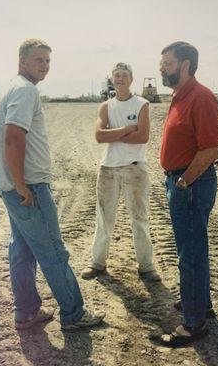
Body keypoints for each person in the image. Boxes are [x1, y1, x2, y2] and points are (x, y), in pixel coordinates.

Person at [0, 39, 105, 331]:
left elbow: (0, 138)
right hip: (28, 189)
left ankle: (27, 312)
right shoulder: (25, 90)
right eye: (38, 60)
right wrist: (21, 185)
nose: (44, 66)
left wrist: (10, 181)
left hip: (12, 186)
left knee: (22, 250)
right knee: (53, 251)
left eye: (47, 61)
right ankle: (73, 313)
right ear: (22, 61)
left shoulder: (10, 90)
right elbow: (13, 137)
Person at [158, 42, 218, 347]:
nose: (161, 68)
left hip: (191, 185)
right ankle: (200, 302)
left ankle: (194, 325)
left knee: (191, 255)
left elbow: (210, 149)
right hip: (182, 182)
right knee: (193, 248)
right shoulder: (179, 96)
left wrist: (182, 182)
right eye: (162, 63)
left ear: (185, 65)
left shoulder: (201, 97)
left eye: (167, 63)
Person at [81, 62, 160, 282]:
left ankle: (146, 266)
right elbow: (98, 136)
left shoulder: (142, 104)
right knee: (104, 218)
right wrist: (126, 130)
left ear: (131, 79)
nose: (120, 79)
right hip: (108, 168)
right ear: (112, 79)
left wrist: (111, 134)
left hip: (135, 168)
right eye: (116, 75)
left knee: (139, 218)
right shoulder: (106, 106)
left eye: (124, 75)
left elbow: (143, 136)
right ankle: (97, 262)